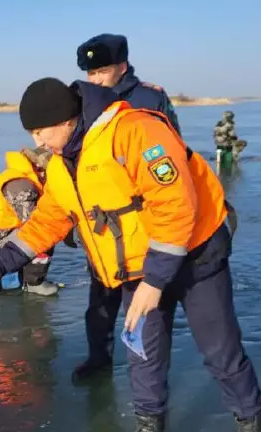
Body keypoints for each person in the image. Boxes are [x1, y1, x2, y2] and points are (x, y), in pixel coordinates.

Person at [0, 77, 261, 431]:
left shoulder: (136, 131)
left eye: (41, 131)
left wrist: (156, 281)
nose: (36, 141)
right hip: (137, 268)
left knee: (221, 353)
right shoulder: (60, 165)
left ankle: (249, 418)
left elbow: (175, 204)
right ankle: (149, 424)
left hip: (195, 257)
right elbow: (46, 222)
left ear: (67, 120)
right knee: (143, 356)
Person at [71, 32, 183, 381]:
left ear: (122, 66)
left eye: (101, 71)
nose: (95, 79)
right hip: (101, 224)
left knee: (146, 306)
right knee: (100, 302)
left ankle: (149, 378)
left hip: (140, 222)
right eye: (90, 73)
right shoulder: (85, 102)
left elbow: (171, 156)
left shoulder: (149, 99)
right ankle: (98, 358)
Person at [0, 147, 60, 296]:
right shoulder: (23, 186)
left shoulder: (16, 175)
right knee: (44, 234)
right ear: (40, 168)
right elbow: (32, 222)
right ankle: (35, 282)